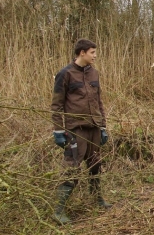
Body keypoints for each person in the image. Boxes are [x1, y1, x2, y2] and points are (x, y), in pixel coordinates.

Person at [50, 39, 112, 224]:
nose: (95, 55)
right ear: (82, 53)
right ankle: (59, 209)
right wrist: (59, 131)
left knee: (95, 164)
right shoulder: (65, 74)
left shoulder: (94, 73)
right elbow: (56, 105)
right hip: (75, 130)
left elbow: (98, 101)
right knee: (72, 168)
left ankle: (97, 198)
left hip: (93, 127)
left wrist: (102, 127)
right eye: (92, 52)